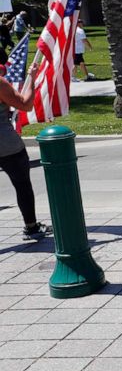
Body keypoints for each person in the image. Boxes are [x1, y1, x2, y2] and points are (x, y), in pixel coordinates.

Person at [0, 60, 51, 239]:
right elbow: (25, 104)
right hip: (6, 145)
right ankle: (31, 226)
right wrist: (32, 77)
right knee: (22, 185)